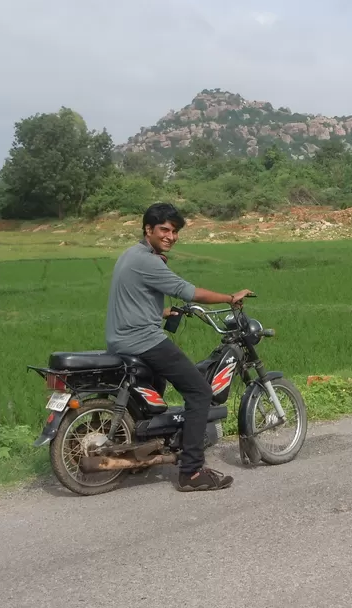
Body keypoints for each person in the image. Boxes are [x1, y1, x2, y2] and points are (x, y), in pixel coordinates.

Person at [105, 202, 253, 492]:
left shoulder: (131, 255)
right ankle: (192, 472)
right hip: (141, 339)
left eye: (175, 231)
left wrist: (160, 313)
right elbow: (187, 291)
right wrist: (229, 297)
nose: (171, 236)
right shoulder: (148, 260)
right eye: (165, 230)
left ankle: (143, 450)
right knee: (199, 392)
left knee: (156, 383)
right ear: (148, 229)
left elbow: (131, 298)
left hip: (121, 337)